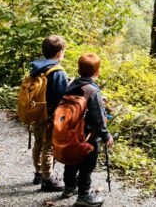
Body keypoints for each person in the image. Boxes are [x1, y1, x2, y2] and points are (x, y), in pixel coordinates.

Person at [61, 53, 113, 207]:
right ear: (97, 72)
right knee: (87, 166)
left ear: (78, 70)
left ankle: (69, 188)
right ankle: (84, 195)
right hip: (88, 136)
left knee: (72, 161)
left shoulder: (72, 84)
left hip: (71, 132)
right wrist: (105, 135)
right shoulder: (93, 90)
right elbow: (97, 117)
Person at [30, 35, 69, 191]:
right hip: (50, 115)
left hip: (36, 113)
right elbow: (62, 96)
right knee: (49, 146)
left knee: (38, 143)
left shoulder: (37, 67)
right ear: (59, 53)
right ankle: (48, 179)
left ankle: (38, 173)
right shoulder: (58, 71)